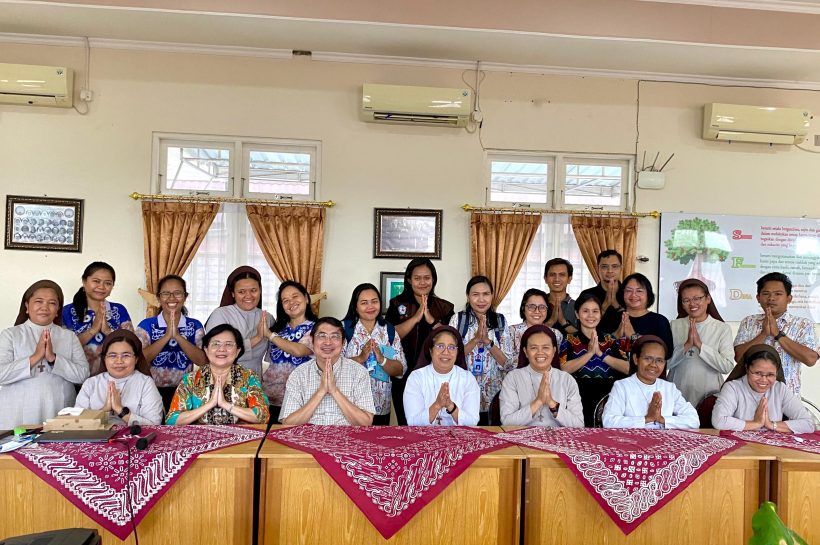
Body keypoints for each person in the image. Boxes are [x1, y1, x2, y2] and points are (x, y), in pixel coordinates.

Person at [0, 280, 89, 429]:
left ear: (57, 309)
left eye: (52, 303)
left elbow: (83, 376)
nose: (45, 307)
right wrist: (35, 357)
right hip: (16, 414)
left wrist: (53, 359)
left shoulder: (69, 336)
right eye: (39, 301)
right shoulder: (10, 335)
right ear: (27, 306)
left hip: (59, 411)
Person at [385, 258, 455, 425]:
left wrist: (430, 319)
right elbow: (389, 337)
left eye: (427, 278)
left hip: (436, 375)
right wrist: (416, 318)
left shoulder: (445, 307)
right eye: (417, 278)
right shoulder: (396, 304)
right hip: (403, 375)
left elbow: (450, 340)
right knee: (407, 423)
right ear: (409, 280)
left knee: (436, 423)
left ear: (433, 279)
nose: (422, 282)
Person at [166, 324, 270, 425]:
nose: (222, 349)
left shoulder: (249, 377)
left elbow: (263, 415)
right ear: (206, 350)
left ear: (237, 351)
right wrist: (209, 404)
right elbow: (172, 420)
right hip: (200, 439)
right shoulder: (191, 380)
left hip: (240, 439)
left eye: (228, 344)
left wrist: (226, 405)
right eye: (216, 344)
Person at [734, 272, 818, 395]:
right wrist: (763, 334)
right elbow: (738, 357)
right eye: (766, 294)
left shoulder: (803, 325)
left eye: (778, 294)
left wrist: (778, 335)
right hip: (749, 396)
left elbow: (810, 359)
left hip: (787, 398)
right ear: (758, 298)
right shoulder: (749, 322)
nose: (771, 298)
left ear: (789, 298)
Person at [280, 317, 375, 425]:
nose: (328, 342)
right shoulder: (298, 374)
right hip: (308, 439)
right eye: (322, 336)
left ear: (343, 342)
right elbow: (287, 423)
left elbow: (366, 423)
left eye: (335, 336)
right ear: (312, 341)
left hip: (347, 439)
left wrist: (334, 391)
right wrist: (320, 392)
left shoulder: (359, 372)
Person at [135, 275, 207, 412]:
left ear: (185, 297)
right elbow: (138, 359)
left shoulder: (195, 325)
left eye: (177, 293)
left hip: (185, 391)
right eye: (166, 293)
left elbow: (203, 361)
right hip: (150, 390)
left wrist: (178, 337)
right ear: (158, 297)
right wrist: (167, 336)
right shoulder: (146, 325)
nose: (172, 298)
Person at [342, 283, 407, 426]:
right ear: (355, 306)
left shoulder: (389, 330)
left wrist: (382, 360)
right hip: (350, 405)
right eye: (364, 303)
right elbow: (333, 367)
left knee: (378, 445)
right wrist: (360, 359)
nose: (370, 306)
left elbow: (401, 368)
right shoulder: (344, 329)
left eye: (374, 301)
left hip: (381, 406)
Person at [561, 292, 629, 427]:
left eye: (595, 311)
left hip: (608, 399)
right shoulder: (569, 340)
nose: (590, 315)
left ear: (600, 314)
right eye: (585, 311)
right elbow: (563, 368)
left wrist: (601, 354)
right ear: (577, 314)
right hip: (577, 398)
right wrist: (589, 353)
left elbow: (627, 368)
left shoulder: (610, 340)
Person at [449, 275, 510, 425]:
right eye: (475, 295)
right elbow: (450, 357)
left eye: (486, 294)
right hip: (462, 394)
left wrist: (488, 342)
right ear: (468, 296)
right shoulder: (458, 320)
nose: (481, 300)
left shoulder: (500, 321)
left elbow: (507, 363)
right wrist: (475, 339)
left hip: (493, 395)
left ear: (492, 296)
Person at [713, 345, 815, 434]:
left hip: (773, 449)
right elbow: (719, 421)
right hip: (740, 449)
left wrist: (771, 425)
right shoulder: (733, 388)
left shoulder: (780, 389)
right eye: (757, 373)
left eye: (770, 375)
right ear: (747, 369)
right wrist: (756, 423)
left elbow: (808, 423)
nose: (764, 380)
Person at [603, 336, 699, 429]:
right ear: (636, 359)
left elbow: (693, 420)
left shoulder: (669, 388)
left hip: (664, 441)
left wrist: (662, 419)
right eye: (648, 358)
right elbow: (608, 421)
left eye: (659, 360)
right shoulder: (622, 387)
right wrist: (647, 419)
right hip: (632, 441)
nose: (653, 365)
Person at [500, 325, 583, 428]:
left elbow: (579, 425)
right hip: (522, 440)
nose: (540, 352)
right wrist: (538, 401)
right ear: (525, 352)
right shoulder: (513, 378)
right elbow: (507, 423)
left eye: (545, 347)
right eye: (534, 348)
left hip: (559, 440)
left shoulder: (567, 380)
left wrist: (552, 404)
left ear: (553, 351)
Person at [668, 279, 735, 406]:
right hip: (677, 393)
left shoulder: (722, 328)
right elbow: (665, 364)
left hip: (709, 396)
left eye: (697, 298)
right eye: (686, 300)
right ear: (681, 304)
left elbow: (726, 366)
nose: (692, 303)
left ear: (708, 299)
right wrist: (686, 346)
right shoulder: (674, 326)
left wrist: (700, 345)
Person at [76, 330, 164, 425]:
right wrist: (105, 410)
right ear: (104, 358)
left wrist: (120, 410)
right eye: (113, 355)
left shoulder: (145, 383)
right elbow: (77, 423)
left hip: (134, 438)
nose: (119, 361)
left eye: (126, 355)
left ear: (136, 359)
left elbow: (154, 424)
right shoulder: (91, 384)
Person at [62, 262, 134, 375]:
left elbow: (132, 347)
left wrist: (108, 332)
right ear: (84, 282)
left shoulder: (119, 310)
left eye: (108, 283)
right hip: (77, 379)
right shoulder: (66, 312)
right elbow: (63, 350)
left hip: (114, 378)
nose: (101, 287)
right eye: (96, 281)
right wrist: (93, 330)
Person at [403, 325, 480, 426]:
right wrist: (437, 405)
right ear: (430, 350)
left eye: (451, 347)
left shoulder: (467, 378)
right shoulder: (416, 377)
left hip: (458, 438)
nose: (446, 352)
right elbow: (412, 422)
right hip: (425, 437)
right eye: (440, 346)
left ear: (457, 352)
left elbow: (472, 421)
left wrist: (451, 406)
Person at [263, 281, 317, 424]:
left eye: (295, 296)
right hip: (271, 400)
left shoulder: (318, 328)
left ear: (306, 298)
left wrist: (270, 335)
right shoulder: (277, 330)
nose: (291, 302)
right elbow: (270, 363)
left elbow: (299, 351)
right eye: (285, 300)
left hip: (302, 401)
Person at [205, 266, 273, 377]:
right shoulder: (221, 314)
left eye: (253, 290)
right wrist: (257, 338)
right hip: (224, 377)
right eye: (241, 292)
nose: (248, 296)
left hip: (255, 379)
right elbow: (216, 350)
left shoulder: (268, 318)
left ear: (260, 291)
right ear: (233, 293)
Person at [614, 273, 674, 360]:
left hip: (647, 372)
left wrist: (633, 336)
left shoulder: (659, 321)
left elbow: (667, 353)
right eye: (629, 290)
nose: (633, 295)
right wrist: (616, 335)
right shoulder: (612, 317)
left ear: (648, 294)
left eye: (639, 291)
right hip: (614, 372)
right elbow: (601, 347)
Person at [504, 288, 563, 369]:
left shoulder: (556, 334)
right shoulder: (511, 332)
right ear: (523, 309)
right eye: (532, 307)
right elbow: (505, 364)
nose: (537, 311)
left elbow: (556, 364)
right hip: (517, 379)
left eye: (542, 307)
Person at [577, 250, 624, 335]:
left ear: (621, 268)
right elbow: (581, 326)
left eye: (615, 266)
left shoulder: (629, 293)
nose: (610, 271)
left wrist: (616, 305)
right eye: (604, 267)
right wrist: (605, 305)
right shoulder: (587, 294)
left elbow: (634, 321)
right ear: (598, 268)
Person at [543, 258, 578, 338]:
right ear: (545, 279)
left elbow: (584, 337)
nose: (557, 279)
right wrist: (551, 321)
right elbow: (528, 334)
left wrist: (563, 322)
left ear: (569, 279)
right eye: (552, 275)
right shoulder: (536, 304)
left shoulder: (578, 306)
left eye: (562, 275)